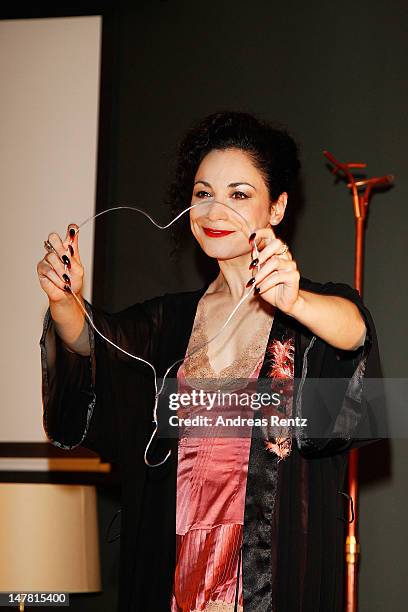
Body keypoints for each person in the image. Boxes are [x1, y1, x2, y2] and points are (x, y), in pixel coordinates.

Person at [37, 111, 381, 612]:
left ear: (278, 207)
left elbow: (354, 334)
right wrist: (65, 301)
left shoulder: (310, 308)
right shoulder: (170, 318)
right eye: (203, 194)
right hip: (174, 565)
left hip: (267, 573)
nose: (215, 210)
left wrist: (296, 302)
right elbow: (96, 348)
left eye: (239, 194)